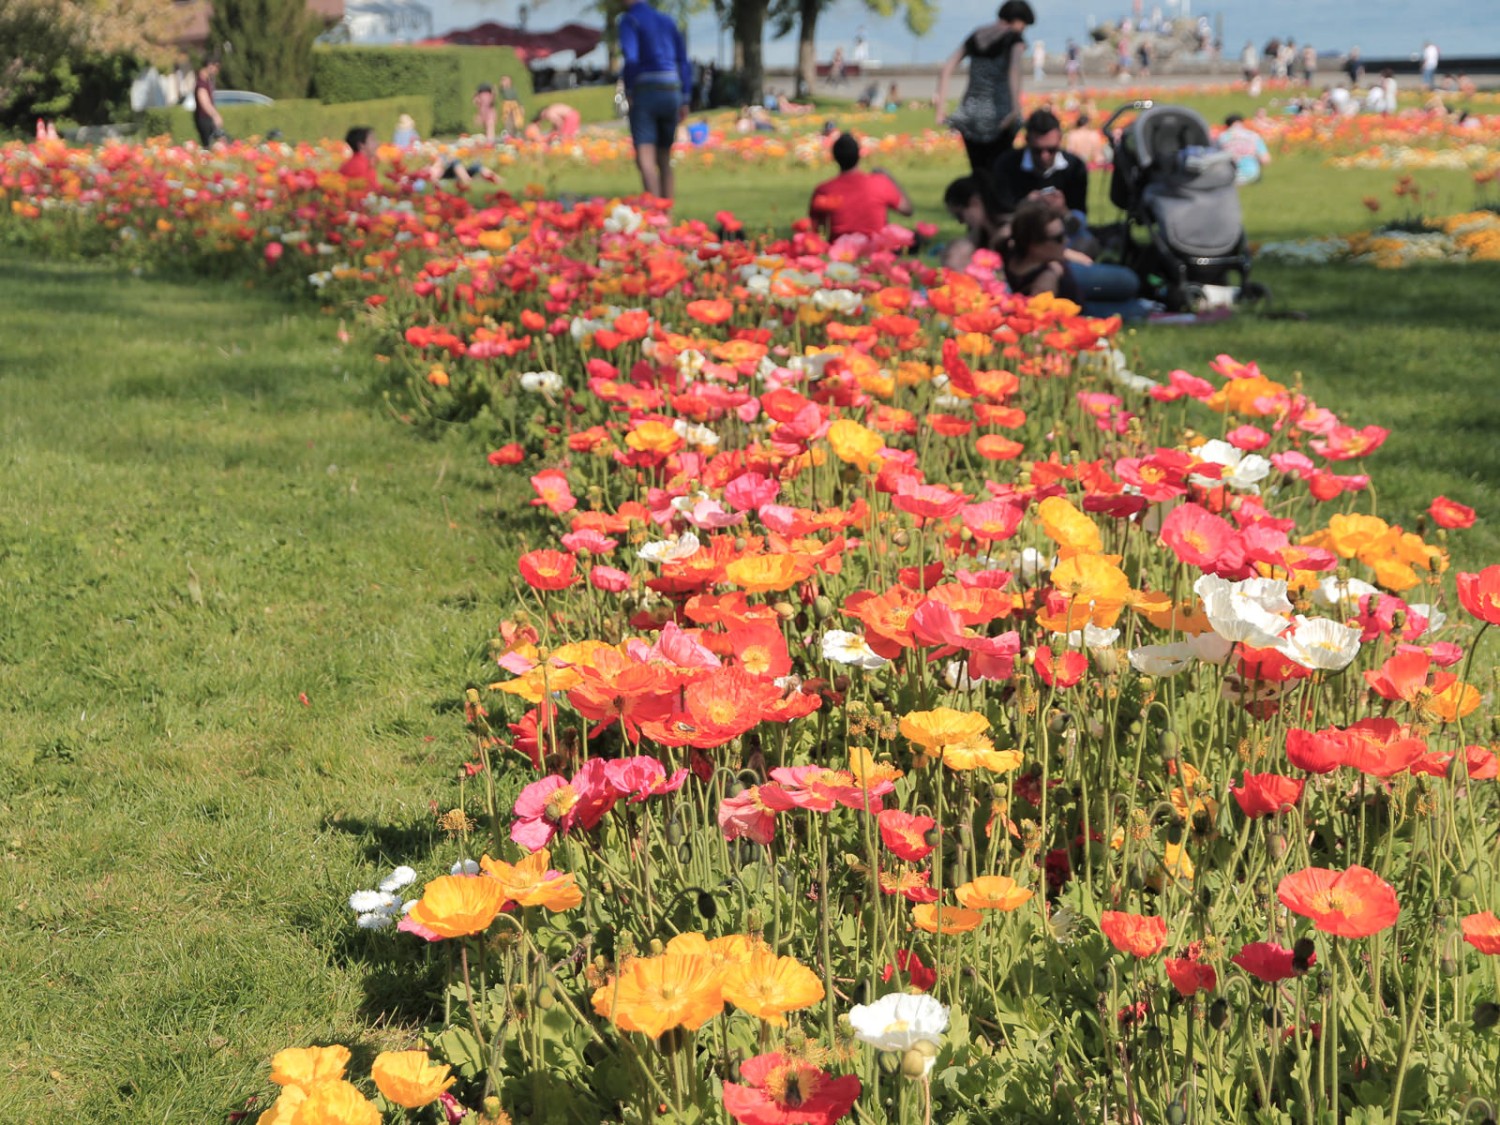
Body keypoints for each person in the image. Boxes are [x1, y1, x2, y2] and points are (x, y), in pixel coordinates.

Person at [935, 1, 1035, 178]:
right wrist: (1015, 110)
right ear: (1018, 20)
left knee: (978, 172)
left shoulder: (976, 35)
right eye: (1024, 25)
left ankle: (978, 202)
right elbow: (1014, 70)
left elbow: (946, 68)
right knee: (1000, 171)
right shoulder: (1014, 39)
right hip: (1000, 113)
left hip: (970, 113)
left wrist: (940, 109)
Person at [618, 0, 693, 200]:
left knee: (645, 158)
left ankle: (655, 215)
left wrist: (630, 90)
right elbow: (683, 62)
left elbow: (631, 59)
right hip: (671, 90)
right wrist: (685, 97)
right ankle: (667, 216)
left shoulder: (629, 20)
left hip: (646, 90)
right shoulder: (667, 21)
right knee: (664, 158)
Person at [808, 132, 913, 239]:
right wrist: (889, 178)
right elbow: (907, 210)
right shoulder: (879, 182)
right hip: (877, 247)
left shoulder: (824, 191)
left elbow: (817, 228)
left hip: (840, 248)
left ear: (834, 157)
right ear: (859, 154)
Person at [992, 109, 1089, 218]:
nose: (1044, 156)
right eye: (1037, 151)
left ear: (1060, 140)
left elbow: (1079, 223)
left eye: (1051, 150)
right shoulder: (1007, 165)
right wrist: (1023, 207)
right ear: (1027, 140)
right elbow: (999, 217)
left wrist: (1063, 211)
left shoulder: (1074, 167)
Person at [1216, 113, 1270, 184]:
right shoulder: (1254, 135)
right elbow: (1265, 160)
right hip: (1252, 175)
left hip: (1229, 176)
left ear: (1227, 126)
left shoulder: (1221, 137)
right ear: (1242, 123)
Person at [338, 126, 381, 193]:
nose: (377, 144)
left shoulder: (364, 163)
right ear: (361, 145)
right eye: (373, 140)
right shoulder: (357, 166)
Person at [193, 59, 224, 147]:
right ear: (210, 65)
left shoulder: (205, 81)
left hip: (206, 118)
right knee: (213, 146)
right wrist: (215, 115)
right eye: (216, 67)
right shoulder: (201, 83)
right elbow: (204, 102)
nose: (217, 70)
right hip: (205, 119)